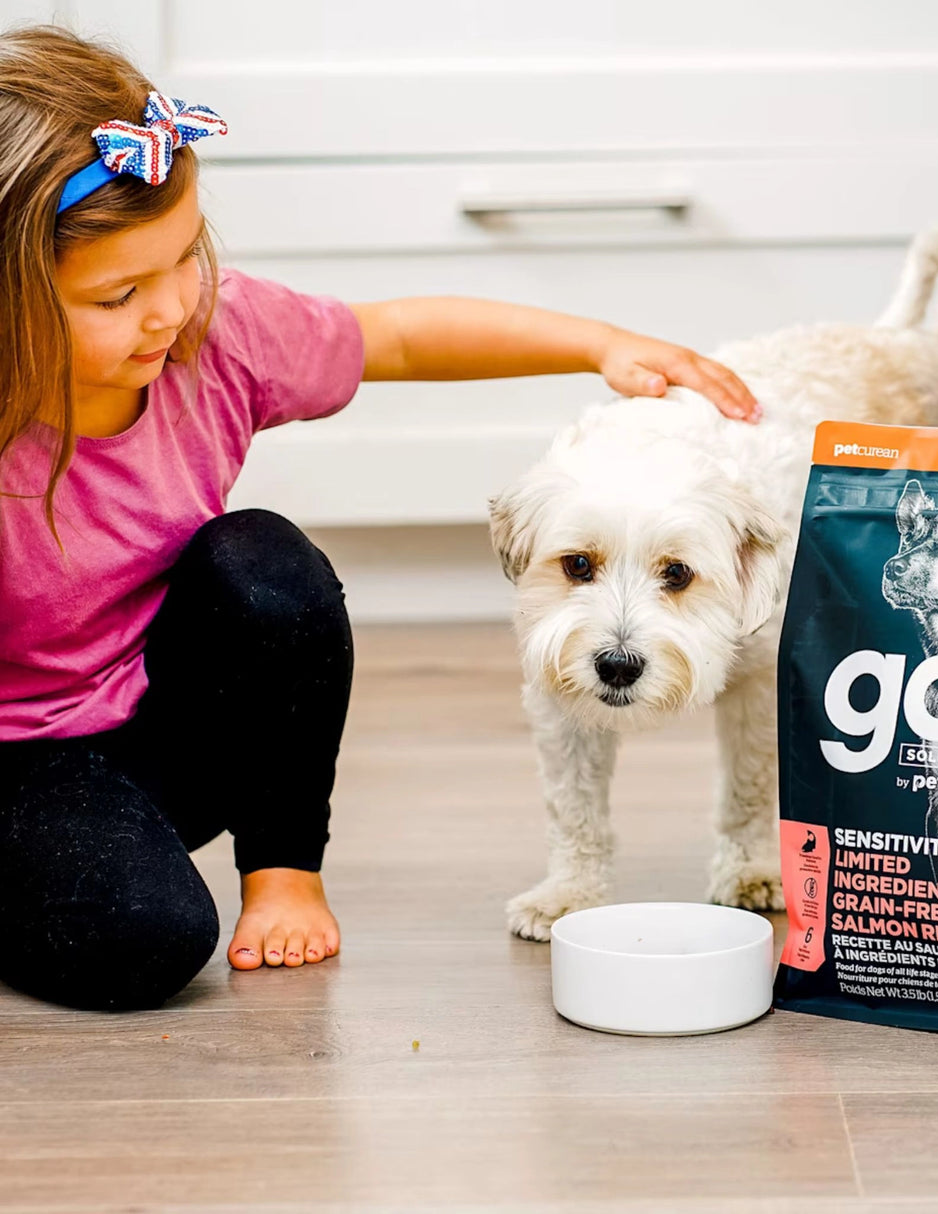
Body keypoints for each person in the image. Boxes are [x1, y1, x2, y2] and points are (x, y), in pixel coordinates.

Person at [0, 25, 761, 1012]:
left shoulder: (213, 335)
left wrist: (599, 343)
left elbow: (395, 336)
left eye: (185, 257)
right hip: (22, 760)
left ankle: (284, 871)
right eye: (118, 295)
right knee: (149, 944)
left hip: (159, 717)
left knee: (265, 564)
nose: (168, 309)